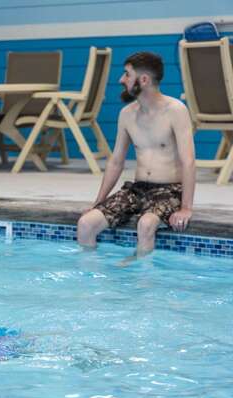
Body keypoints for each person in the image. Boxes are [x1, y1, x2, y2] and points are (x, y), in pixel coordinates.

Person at [76, 51, 196, 259]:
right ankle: (91, 282)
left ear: (144, 80)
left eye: (126, 74)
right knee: (85, 224)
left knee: (146, 224)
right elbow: (116, 162)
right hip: (137, 189)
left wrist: (186, 208)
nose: (121, 80)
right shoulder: (127, 114)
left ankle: (142, 285)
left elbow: (189, 161)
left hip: (169, 191)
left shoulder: (176, 110)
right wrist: (99, 201)